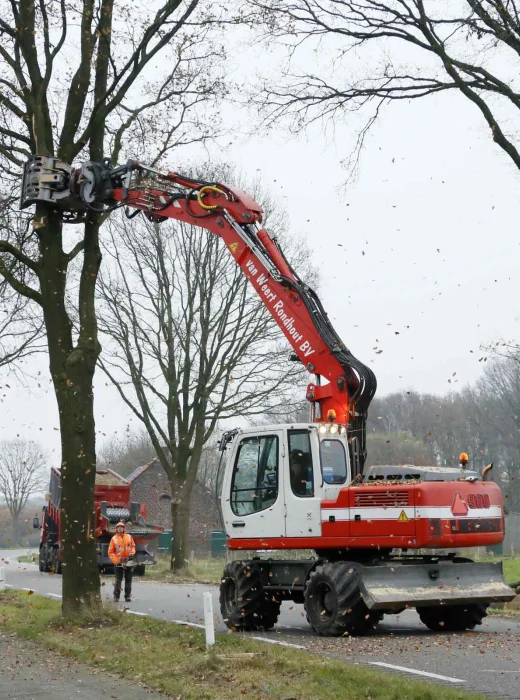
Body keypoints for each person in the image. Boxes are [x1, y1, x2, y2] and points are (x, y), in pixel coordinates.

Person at [108, 521, 136, 602]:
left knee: (128, 579)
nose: (120, 528)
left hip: (129, 561)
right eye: (118, 527)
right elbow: (110, 552)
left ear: (124, 528)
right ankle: (116, 596)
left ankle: (127, 596)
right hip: (119, 563)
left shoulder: (129, 537)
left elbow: (133, 546)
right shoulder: (114, 539)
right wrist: (117, 561)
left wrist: (132, 553)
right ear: (116, 529)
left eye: (121, 527)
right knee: (118, 580)